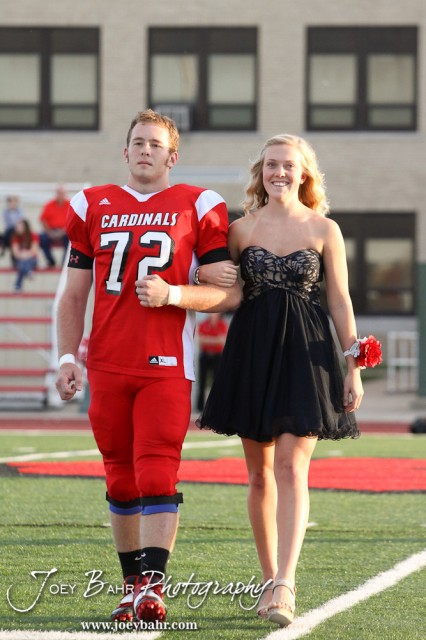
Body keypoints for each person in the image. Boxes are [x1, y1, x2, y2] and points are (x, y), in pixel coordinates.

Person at [55, 109, 240, 624]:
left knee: (157, 470)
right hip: (107, 362)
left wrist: (173, 293)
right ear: (125, 151)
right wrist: (67, 356)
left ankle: (153, 589)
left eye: (155, 144)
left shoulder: (198, 204)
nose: (145, 150)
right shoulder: (92, 204)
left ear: (171, 156)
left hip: (166, 362)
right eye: (138, 142)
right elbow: (73, 295)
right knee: (119, 478)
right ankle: (129, 588)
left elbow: (226, 294)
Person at [198, 134, 363, 627]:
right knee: (259, 474)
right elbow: (225, 291)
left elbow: (340, 301)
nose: (280, 173)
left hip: (307, 356)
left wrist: (353, 365)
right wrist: (186, 290)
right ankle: (268, 578)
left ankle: (286, 584)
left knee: (292, 467)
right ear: (261, 172)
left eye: (289, 165)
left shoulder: (325, 229)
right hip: (252, 352)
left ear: (304, 172)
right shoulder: (240, 230)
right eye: (272, 165)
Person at [196, 312, 228, 411]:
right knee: (202, 382)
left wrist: (208, 340)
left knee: (217, 381)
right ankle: (200, 407)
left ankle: (215, 406)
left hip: (217, 356)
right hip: (205, 355)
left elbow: (222, 341)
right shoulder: (203, 324)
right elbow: (201, 340)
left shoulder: (222, 324)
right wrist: (215, 340)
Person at [39, 184, 70, 267]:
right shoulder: (49, 205)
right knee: (42, 238)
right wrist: (49, 232)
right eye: (58, 193)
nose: (60, 195)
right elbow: (43, 220)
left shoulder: (70, 204)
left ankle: (64, 261)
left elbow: (73, 221)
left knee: (71, 239)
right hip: (51, 230)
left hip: (65, 231)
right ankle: (51, 261)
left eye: (62, 193)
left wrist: (64, 231)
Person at [10, 219, 39, 291]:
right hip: (20, 259)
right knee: (22, 263)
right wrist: (22, 255)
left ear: (25, 227)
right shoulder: (15, 237)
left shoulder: (33, 235)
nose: (17, 228)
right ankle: (28, 272)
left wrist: (26, 254)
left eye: (19, 227)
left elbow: (34, 251)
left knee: (23, 264)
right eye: (17, 227)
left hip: (32, 260)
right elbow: (15, 253)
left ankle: (17, 286)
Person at [1, 195, 24, 263]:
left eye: (14, 201)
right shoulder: (5, 211)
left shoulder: (20, 211)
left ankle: (3, 249)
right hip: (9, 231)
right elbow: (7, 223)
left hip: (17, 231)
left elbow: (18, 223)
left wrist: (12, 212)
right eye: (10, 201)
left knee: (11, 234)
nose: (12, 203)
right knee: (9, 236)